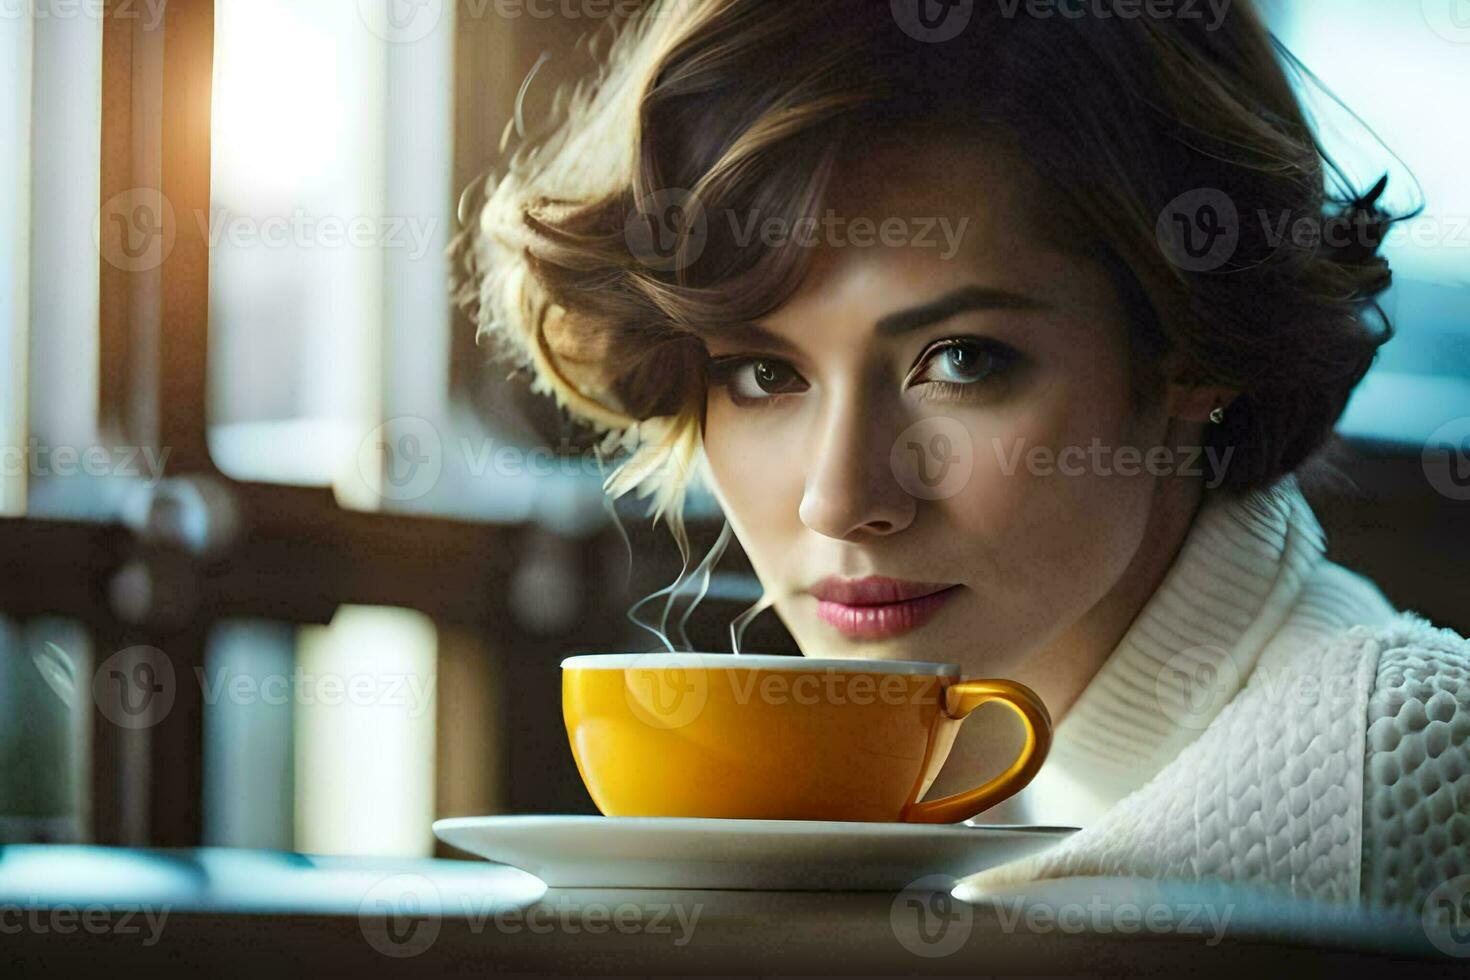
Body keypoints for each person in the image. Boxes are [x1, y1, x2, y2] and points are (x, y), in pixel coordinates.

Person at [455, 0, 1469, 912]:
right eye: (764, 373)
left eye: (961, 359)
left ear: (1190, 349)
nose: (839, 499)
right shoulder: (976, 794)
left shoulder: (1390, 762)